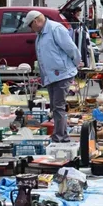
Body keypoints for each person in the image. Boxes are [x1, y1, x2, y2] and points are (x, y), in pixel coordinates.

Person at [26, 10, 81, 143]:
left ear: (36, 21)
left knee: (58, 106)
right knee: (56, 107)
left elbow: (71, 49)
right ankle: (61, 135)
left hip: (62, 73)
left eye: (30, 25)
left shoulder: (55, 29)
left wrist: (76, 64)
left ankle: (60, 137)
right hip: (52, 75)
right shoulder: (41, 33)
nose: (30, 29)